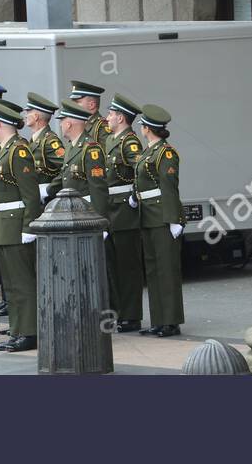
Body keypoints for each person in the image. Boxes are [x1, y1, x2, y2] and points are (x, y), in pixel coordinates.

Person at [0, 100, 41, 352]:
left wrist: (29, 227)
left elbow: (30, 195)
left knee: (22, 282)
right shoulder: (2, 150)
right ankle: (18, 329)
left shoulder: (19, 151)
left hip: (16, 224)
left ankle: (30, 332)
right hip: (2, 226)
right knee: (10, 285)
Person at [134, 104, 184, 337]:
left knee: (167, 270)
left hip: (162, 216)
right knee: (153, 271)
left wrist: (174, 219)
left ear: (148, 128)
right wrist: (136, 198)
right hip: (147, 215)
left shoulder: (165, 153)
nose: (140, 128)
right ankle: (158, 319)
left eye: (142, 125)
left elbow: (168, 187)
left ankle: (171, 321)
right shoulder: (148, 152)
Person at [104, 93, 145, 333]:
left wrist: (135, 195)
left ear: (120, 117)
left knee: (128, 267)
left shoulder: (129, 142)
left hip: (124, 211)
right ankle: (119, 312)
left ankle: (131, 316)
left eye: (110, 114)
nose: (107, 118)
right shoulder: (112, 140)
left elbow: (142, 169)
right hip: (111, 209)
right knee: (113, 265)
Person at [21, 93, 66, 197]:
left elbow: (67, 167)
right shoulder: (34, 140)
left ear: (36, 117)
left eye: (28, 112)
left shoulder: (50, 142)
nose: (25, 115)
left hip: (47, 201)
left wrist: (49, 189)